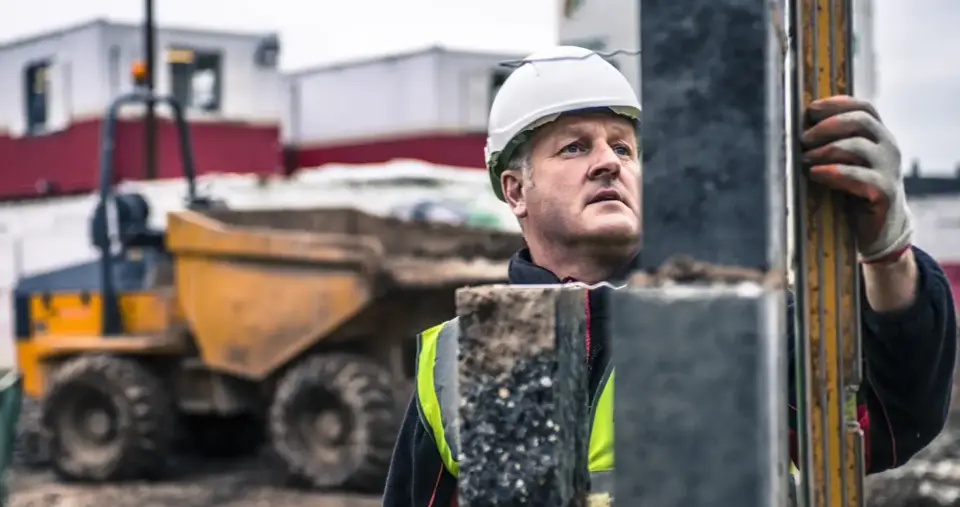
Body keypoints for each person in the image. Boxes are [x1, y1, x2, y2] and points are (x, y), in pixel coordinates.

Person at [381, 45, 957, 507]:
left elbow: (889, 418)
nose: (609, 161)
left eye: (625, 148)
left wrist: (887, 252)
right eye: (575, 147)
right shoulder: (459, 360)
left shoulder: (732, 321)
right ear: (515, 189)